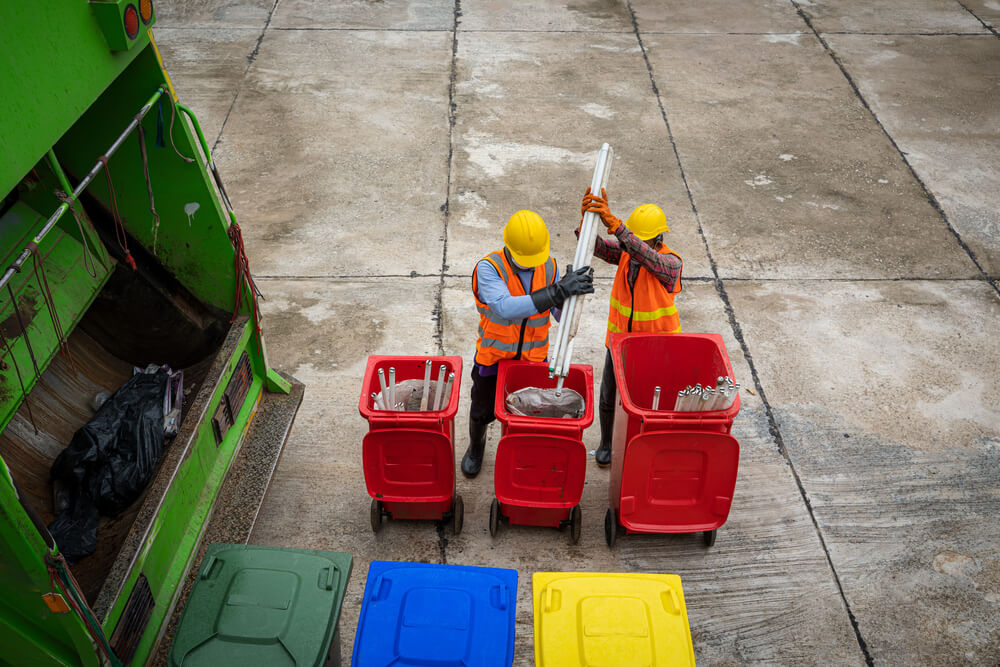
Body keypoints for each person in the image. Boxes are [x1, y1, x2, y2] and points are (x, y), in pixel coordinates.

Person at [462, 209, 594, 478]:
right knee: (480, 412)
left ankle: (525, 456)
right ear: (508, 247)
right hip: (494, 357)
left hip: (533, 360)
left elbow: (557, 316)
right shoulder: (489, 268)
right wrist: (556, 292)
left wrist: (568, 300)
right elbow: (505, 307)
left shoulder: (550, 266)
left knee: (531, 414)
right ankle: (476, 448)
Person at [581, 188, 683, 466]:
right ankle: (605, 445)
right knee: (607, 398)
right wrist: (586, 225)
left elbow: (649, 257)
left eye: (640, 239)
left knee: (646, 403)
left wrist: (619, 228)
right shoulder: (629, 253)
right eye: (632, 238)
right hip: (619, 343)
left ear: (656, 238)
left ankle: (642, 445)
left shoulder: (670, 263)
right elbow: (599, 248)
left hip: (654, 348)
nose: (634, 243)